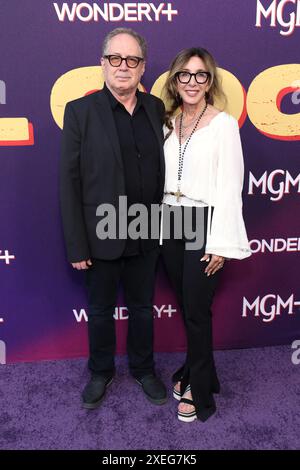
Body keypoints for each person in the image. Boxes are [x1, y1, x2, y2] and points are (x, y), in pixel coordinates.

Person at [60, 28, 167, 409]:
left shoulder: (155, 108)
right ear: (103, 64)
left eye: (132, 60)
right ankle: (101, 372)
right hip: (100, 232)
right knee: (101, 310)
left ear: (143, 67)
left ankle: (143, 369)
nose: (124, 67)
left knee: (142, 308)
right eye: (116, 59)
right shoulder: (80, 111)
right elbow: (69, 182)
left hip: (145, 230)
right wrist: (77, 242)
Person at [160, 47, 251, 422]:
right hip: (167, 222)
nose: (192, 82)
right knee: (187, 304)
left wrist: (220, 242)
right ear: (175, 80)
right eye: (185, 74)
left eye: (200, 75)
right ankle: (204, 373)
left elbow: (231, 186)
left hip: (203, 221)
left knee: (197, 311)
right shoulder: (167, 122)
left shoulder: (224, 125)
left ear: (209, 81)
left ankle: (201, 391)